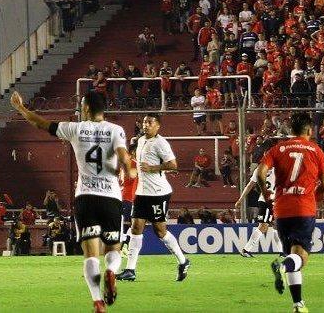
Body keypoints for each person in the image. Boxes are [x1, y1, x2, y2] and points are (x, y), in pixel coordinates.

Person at [10, 90, 135, 313]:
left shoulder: (75, 129)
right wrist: (128, 171)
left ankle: (97, 301)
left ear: (86, 107)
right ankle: (112, 272)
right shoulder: (116, 130)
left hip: (86, 197)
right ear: (103, 108)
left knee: (90, 254)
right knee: (113, 248)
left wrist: (21, 108)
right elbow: (124, 155)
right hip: (110, 197)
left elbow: (41, 123)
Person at [258, 111, 324, 313]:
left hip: (281, 209)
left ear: (291, 130)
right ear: (308, 129)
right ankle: (282, 266)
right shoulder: (316, 150)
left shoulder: (278, 148)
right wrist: (315, 197)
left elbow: (261, 171)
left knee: (292, 255)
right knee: (300, 258)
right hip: (303, 207)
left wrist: (265, 190)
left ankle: (298, 304)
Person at [119, 113, 190, 283]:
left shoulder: (161, 143)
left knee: (161, 232)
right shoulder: (140, 140)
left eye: (150, 122)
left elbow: (173, 165)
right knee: (136, 228)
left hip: (158, 193)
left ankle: (183, 261)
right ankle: (130, 270)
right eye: (144, 122)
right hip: (141, 193)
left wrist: (153, 168)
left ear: (158, 126)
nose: (146, 125)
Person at [233, 171, 277, 258]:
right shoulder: (278, 167)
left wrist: (240, 199)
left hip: (271, 201)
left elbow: (250, 185)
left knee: (277, 225)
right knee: (263, 226)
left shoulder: (259, 169)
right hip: (268, 201)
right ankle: (246, 250)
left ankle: (283, 253)